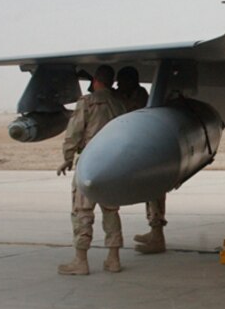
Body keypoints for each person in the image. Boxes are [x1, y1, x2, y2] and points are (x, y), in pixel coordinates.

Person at [56, 64, 127, 275]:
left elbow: (74, 132)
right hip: (113, 164)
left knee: (83, 211)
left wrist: (67, 158)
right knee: (111, 211)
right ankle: (113, 259)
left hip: (90, 161)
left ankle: (81, 260)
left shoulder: (87, 102)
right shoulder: (119, 103)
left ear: (95, 80)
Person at [113, 66, 168, 255]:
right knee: (151, 197)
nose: (119, 86)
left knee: (153, 196)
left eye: (122, 82)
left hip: (146, 153)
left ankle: (157, 236)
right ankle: (155, 233)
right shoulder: (134, 94)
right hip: (140, 151)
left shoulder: (140, 98)